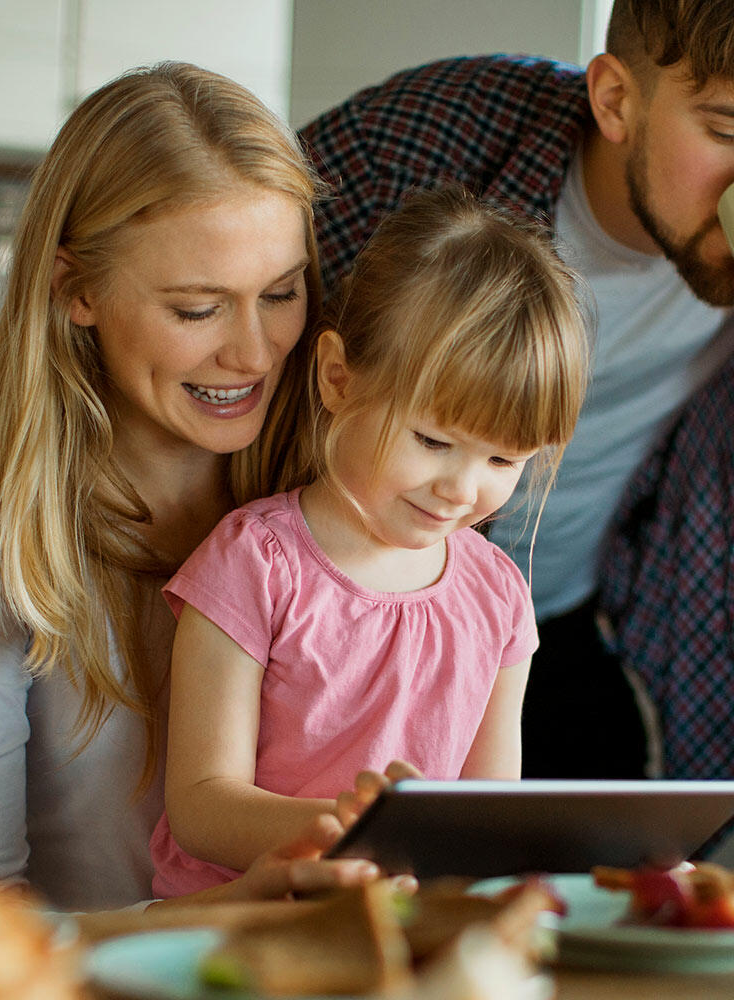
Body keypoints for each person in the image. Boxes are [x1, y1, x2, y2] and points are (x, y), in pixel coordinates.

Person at [0, 1, 734, 799]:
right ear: (614, 98)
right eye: (732, 130)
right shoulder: (439, 138)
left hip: (563, 635)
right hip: (339, 623)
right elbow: (199, 241)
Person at [0, 62, 391, 909]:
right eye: (197, 309)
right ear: (75, 289)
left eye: (281, 293)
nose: (256, 353)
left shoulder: (337, 482)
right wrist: (211, 922)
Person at [153, 188, 588, 897]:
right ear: (338, 379)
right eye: (433, 441)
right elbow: (200, 806)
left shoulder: (500, 597)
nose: (460, 488)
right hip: (240, 926)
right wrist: (364, 830)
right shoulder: (255, 563)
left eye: (503, 461)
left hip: (403, 931)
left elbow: (486, 821)